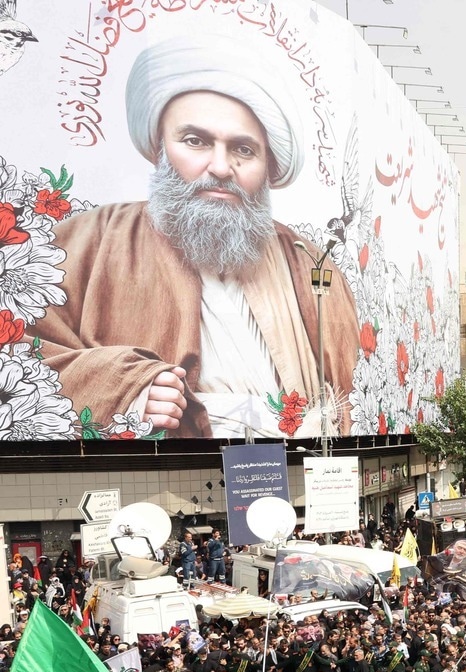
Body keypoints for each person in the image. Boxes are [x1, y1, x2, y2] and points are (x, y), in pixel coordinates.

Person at [38, 34, 360, 439]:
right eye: (196, 141)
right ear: (160, 145)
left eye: (243, 149)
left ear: (267, 164)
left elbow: (350, 388)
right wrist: (128, 388)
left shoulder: (310, 264)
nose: (221, 167)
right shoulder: (90, 240)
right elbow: (21, 354)